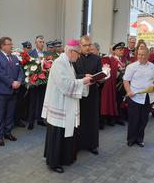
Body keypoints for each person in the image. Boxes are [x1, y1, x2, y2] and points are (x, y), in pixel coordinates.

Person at [42, 39, 92, 173]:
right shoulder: (59, 63)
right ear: (71, 51)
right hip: (60, 104)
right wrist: (83, 81)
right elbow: (65, 85)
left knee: (66, 132)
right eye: (78, 53)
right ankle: (54, 162)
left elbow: (72, 81)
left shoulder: (68, 63)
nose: (79, 56)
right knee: (58, 134)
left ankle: (65, 158)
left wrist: (84, 80)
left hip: (67, 104)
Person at [123, 48, 154, 147]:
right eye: (139, 54)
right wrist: (128, 91)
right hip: (134, 97)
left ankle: (140, 139)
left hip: (148, 97)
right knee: (133, 119)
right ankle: (131, 139)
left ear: (148, 55)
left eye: (143, 55)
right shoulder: (131, 67)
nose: (140, 56)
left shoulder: (152, 67)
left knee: (144, 119)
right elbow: (126, 80)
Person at [0, 37, 24, 146]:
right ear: (2, 46)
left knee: (10, 114)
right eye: (9, 44)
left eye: (11, 43)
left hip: (14, 91)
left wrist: (18, 81)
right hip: (1, 92)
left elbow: (20, 71)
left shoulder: (14, 58)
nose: (11, 46)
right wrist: (12, 82)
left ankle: (8, 132)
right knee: (0, 115)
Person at [74, 35, 102, 155]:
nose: (87, 47)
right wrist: (84, 77)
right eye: (85, 45)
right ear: (80, 46)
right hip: (79, 94)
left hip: (93, 93)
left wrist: (101, 78)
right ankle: (78, 144)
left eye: (89, 45)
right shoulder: (76, 58)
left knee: (92, 119)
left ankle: (92, 145)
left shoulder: (96, 58)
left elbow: (100, 73)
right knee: (79, 119)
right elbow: (73, 75)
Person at [100, 42, 126, 127]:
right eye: (120, 49)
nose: (122, 51)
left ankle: (118, 117)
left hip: (121, 85)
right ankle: (112, 118)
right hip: (115, 84)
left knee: (119, 101)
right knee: (114, 101)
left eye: (123, 49)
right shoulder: (111, 59)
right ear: (114, 51)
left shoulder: (121, 60)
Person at [27, 35, 46, 130]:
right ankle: (31, 121)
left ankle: (40, 119)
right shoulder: (30, 53)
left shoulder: (46, 54)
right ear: (35, 43)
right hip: (33, 82)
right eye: (40, 42)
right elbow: (26, 66)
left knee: (42, 101)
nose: (42, 43)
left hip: (43, 81)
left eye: (43, 42)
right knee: (32, 102)